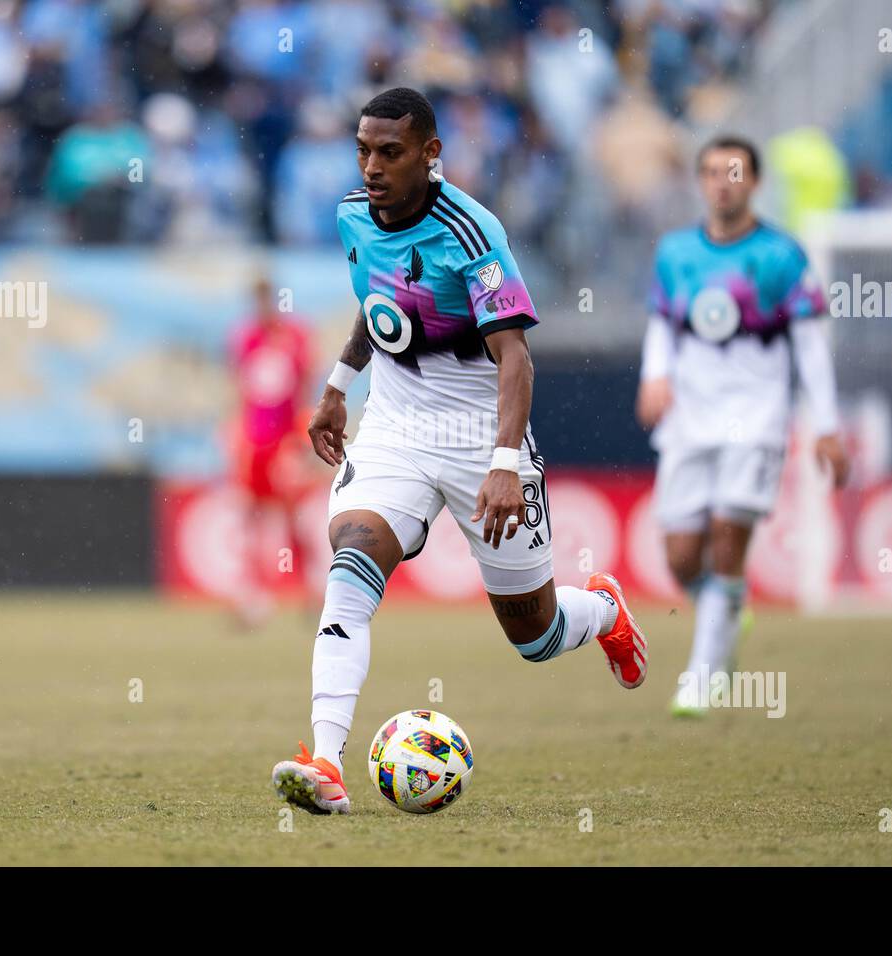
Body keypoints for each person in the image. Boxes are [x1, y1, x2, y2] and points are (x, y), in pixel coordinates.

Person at [271, 88, 648, 814]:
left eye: (390, 152)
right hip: (396, 430)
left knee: (534, 637)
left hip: (481, 438)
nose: (372, 167)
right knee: (350, 561)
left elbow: (516, 359)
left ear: (431, 155)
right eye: (363, 151)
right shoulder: (353, 213)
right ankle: (324, 759)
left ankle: (601, 610)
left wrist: (505, 466)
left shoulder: (473, 234)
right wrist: (338, 384)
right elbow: (378, 300)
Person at [635, 135, 849, 718]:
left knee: (729, 538)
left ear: (754, 182)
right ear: (699, 180)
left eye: (733, 172)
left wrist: (827, 424)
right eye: (709, 171)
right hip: (688, 420)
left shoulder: (783, 256)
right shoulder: (676, 251)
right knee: (682, 559)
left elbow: (809, 345)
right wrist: (655, 377)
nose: (720, 182)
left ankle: (703, 678)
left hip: (755, 420)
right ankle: (725, 608)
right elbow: (662, 323)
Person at [228, 275, 315, 623]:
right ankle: (253, 596)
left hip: (284, 443)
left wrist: (300, 439)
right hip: (255, 442)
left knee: (292, 517)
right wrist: (237, 434)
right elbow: (240, 389)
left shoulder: (296, 338)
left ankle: (310, 591)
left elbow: (304, 390)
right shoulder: (247, 338)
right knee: (251, 517)